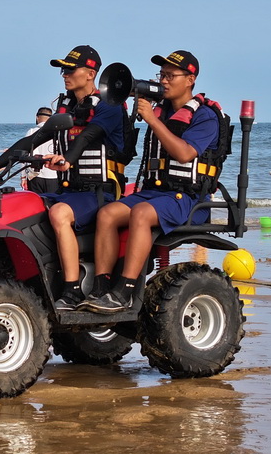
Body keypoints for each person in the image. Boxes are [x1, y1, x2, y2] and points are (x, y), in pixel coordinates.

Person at [85, 50, 218, 313]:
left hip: (188, 198)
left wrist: (153, 120)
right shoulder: (163, 110)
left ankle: (125, 290)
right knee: (107, 213)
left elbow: (183, 153)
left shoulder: (205, 116)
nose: (164, 81)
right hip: (156, 192)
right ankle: (101, 287)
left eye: (170, 75)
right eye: (162, 75)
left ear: (190, 79)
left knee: (142, 214)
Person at [30, 45, 124, 311]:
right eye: (63, 70)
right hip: (70, 191)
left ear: (91, 73)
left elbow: (87, 136)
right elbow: (34, 138)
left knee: (59, 213)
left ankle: (71, 291)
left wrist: (67, 159)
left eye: (70, 69)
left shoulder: (109, 107)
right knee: (24, 205)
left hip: (99, 193)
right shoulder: (68, 108)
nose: (64, 74)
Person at [21, 107, 59, 194]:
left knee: (36, 204)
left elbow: (24, 156)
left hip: (35, 175)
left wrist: (23, 177)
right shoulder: (57, 132)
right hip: (54, 175)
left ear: (37, 117)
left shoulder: (31, 132)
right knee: (53, 203)